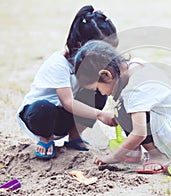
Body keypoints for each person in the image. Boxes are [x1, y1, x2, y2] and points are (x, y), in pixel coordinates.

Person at [16, 5, 119, 159]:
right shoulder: (58, 64)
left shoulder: (91, 66)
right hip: (40, 116)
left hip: (65, 117)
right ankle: (45, 139)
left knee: (98, 93)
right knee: (43, 108)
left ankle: (74, 136)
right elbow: (67, 102)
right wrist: (100, 115)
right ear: (79, 44)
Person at [74, 40, 171, 165]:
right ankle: (135, 151)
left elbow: (139, 133)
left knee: (122, 109)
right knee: (123, 108)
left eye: (98, 89)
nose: (102, 94)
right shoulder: (135, 65)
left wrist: (113, 157)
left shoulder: (134, 89)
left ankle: (158, 155)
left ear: (106, 75)